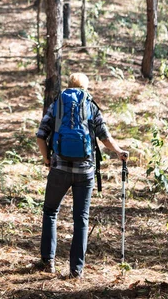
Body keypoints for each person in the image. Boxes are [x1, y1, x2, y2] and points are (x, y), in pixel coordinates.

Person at [36, 72, 128, 278]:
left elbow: (41, 135)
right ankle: (76, 270)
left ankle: (47, 261)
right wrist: (119, 151)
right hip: (85, 171)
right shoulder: (91, 106)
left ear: (68, 86)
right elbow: (104, 136)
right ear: (85, 88)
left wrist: (47, 159)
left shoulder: (57, 104)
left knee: (51, 211)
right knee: (81, 219)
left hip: (59, 168)